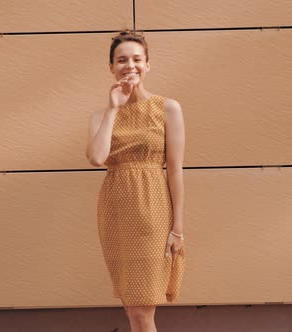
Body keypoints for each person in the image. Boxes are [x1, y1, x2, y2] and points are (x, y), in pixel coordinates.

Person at [85, 29, 187, 332]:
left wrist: (177, 228)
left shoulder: (167, 108)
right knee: (133, 308)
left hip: (152, 211)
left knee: (142, 309)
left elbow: (175, 170)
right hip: (116, 212)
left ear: (147, 64)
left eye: (136, 59)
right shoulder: (100, 115)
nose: (130, 65)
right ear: (111, 67)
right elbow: (96, 158)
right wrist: (114, 108)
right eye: (122, 60)